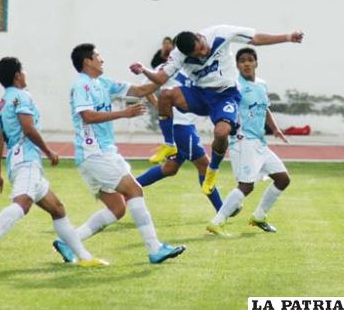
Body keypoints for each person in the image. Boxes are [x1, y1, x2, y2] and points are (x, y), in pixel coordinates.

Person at [130, 25, 303, 196]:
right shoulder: (178, 56)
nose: (203, 54)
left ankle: (213, 170)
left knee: (221, 133)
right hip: (200, 95)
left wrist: (288, 37)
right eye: (197, 54)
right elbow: (160, 78)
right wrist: (143, 70)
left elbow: (256, 38)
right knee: (166, 95)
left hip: (225, 95)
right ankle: (169, 145)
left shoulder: (220, 34)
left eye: (202, 48)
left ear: (200, 36)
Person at [53, 43, 185, 265]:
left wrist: (157, 72)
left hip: (95, 155)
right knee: (134, 190)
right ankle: (154, 248)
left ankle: (69, 242)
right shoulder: (82, 85)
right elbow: (88, 116)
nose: (102, 60)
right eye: (98, 56)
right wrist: (124, 113)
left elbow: (141, 91)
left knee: (117, 208)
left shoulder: (103, 83)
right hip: (96, 153)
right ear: (87, 61)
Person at [0, 57, 107, 268]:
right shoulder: (22, 97)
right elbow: (28, 128)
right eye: (23, 71)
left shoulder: (2, 102)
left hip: (16, 161)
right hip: (27, 160)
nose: (25, 74)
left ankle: (85, 258)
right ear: (17, 75)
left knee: (58, 209)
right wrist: (48, 151)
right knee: (22, 203)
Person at [206, 47, 290, 235]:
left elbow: (265, 108)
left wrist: (275, 129)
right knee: (247, 186)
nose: (246, 63)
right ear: (237, 65)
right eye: (242, 60)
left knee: (283, 179)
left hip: (259, 143)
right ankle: (217, 222)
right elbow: (224, 106)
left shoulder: (261, 85)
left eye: (249, 60)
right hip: (243, 142)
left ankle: (259, 216)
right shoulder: (235, 86)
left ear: (256, 63)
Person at [137, 70, 225, 214]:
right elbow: (145, 87)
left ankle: (128, 188)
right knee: (205, 165)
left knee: (170, 168)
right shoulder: (170, 69)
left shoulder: (195, 68)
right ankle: (222, 211)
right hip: (181, 127)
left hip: (185, 126)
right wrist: (159, 104)